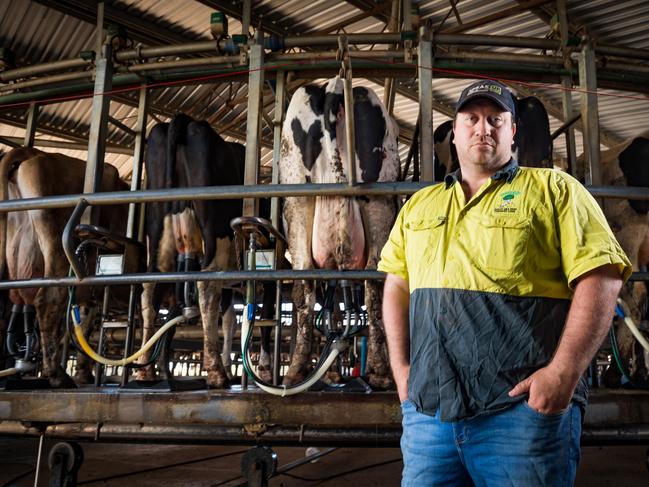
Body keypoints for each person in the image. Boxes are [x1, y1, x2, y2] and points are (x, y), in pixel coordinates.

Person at [378, 79, 632, 486]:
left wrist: (563, 375)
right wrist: (401, 369)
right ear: (454, 132)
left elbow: (601, 277)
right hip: (430, 416)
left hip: (518, 415)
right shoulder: (420, 206)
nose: (484, 128)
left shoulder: (555, 189)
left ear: (513, 131)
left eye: (496, 119)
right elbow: (395, 284)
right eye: (472, 119)